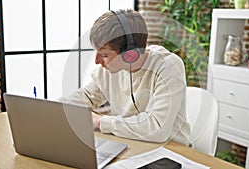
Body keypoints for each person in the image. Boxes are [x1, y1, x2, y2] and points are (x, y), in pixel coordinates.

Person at [64, 9, 190, 146]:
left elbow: (157, 128)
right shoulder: (110, 69)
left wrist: (101, 122)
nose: (97, 61)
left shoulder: (168, 66)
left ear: (130, 55)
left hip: (171, 151)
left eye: (104, 55)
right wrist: (53, 109)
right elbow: (87, 96)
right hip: (130, 144)